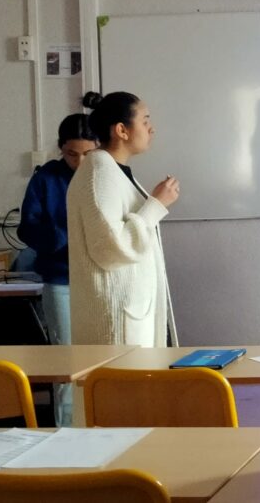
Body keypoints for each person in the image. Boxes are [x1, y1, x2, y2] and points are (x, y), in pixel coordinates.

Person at [66, 91, 179, 347]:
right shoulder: (99, 173)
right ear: (121, 130)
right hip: (116, 322)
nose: (151, 129)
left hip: (129, 313)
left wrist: (154, 205)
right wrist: (156, 205)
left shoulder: (113, 171)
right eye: (145, 121)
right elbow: (109, 248)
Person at [16, 113, 97, 425]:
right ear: (61, 148)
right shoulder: (46, 178)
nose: (80, 162)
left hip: (101, 279)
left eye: (88, 154)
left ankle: (101, 426)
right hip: (61, 279)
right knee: (67, 360)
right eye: (72, 154)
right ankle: (66, 431)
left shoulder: (106, 173)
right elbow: (27, 228)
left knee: (104, 355)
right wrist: (60, 238)